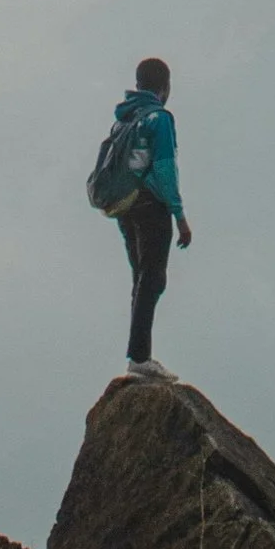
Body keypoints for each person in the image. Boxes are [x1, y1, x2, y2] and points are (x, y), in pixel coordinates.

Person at [110, 54, 191, 380]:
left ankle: (137, 357)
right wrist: (180, 215)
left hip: (125, 207)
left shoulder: (124, 118)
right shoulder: (159, 119)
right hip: (151, 206)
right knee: (153, 278)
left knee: (140, 279)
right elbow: (165, 168)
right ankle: (140, 358)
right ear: (165, 87)